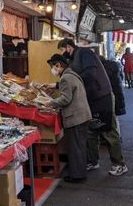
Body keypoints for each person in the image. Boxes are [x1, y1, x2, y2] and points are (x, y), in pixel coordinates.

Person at [57, 39, 128, 176]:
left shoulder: (84, 53)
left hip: (102, 97)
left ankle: (119, 164)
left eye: (61, 50)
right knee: (91, 132)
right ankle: (93, 161)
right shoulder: (73, 60)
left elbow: (90, 74)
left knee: (108, 131)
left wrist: (75, 82)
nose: (62, 54)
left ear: (68, 47)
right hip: (91, 98)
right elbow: (72, 80)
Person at [47, 54, 91, 183]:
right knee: (80, 145)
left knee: (75, 147)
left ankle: (77, 176)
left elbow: (66, 99)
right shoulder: (71, 74)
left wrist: (50, 102)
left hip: (75, 117)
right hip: (82, 115)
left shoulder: (66, 78)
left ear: (59, 65)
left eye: (53, 67)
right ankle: (80, 172)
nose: (52, 70)